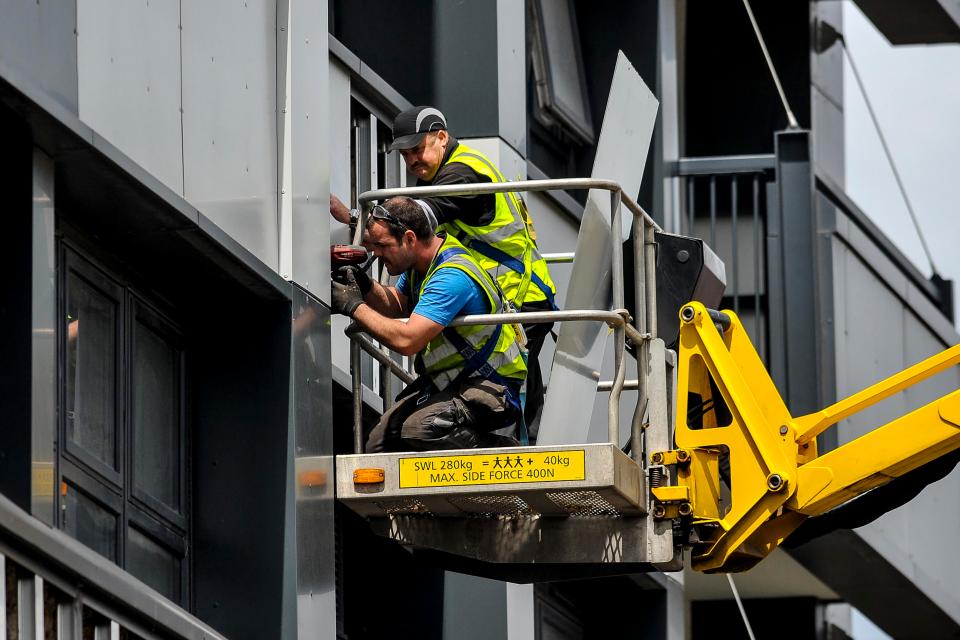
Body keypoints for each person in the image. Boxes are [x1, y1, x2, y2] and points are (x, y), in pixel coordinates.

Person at [330, 106, 556, 438]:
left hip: (518, 297)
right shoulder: (444, 181)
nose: (411, 161)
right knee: (506, 381)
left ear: (441, 138)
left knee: (508, 382)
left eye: (417, 150)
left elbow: (413, 217)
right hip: (501, 295)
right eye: (405, 154)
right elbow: (406, 226)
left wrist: (359, 219)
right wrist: (359, 225)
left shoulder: (462, 173)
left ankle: (519, 447)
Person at [330, 196, 527, 452]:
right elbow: (398, 305)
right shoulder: (420, 266)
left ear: (410, 238)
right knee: (377, 443)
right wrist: (365, 287)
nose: (375, 253)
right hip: (451, 382)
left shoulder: (451, 276)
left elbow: (407, 340)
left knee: (421, 428)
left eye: (382, 245)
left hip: (490, 385)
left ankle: (502, 449)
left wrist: (353, 306)